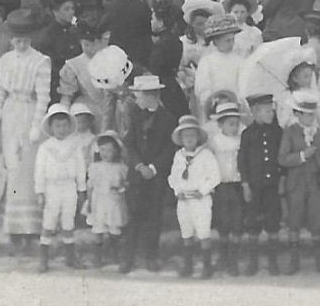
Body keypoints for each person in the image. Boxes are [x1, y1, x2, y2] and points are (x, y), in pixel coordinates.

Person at [0, 8, 52, 245]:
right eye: (16, 40)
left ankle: (29, 224)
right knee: (10, 164)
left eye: (24, 40)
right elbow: (1, 89)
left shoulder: (41, 61)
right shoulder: (5, 59)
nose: (20, 44)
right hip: (10, 113)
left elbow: (44, 96)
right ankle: (10, 224)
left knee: (26, 167)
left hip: (29, 112)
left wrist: (37, 124)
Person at [118, 72, 174, 273]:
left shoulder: (168, 119)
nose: (136, 99)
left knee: (154, 216)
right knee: (133, 216)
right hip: (137, 175)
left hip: (156, 176)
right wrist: (139, 166)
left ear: (151, 95)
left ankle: (152, 255)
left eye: (139, 95)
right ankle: (128, 257)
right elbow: (129, 144)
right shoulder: (134, 115)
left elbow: (170, 148)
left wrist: (153, 168)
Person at [278, 89, 320, 275]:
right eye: (306, 115)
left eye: (312, 114)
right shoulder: (290, 132)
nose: (310, 118)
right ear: (297, 114)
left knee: (317, 219)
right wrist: (302, 155)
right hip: (296, 182)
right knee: (295, 219)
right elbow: (282, 159)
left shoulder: (319, 134)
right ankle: (294, 259)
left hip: (315, 182)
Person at [34, 104, 88, 272]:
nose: (61, 129)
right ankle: (44, 258)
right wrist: (40, 192)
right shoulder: (45, 147)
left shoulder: (75, 144)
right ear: (51, 127)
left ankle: (70, 257)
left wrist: (81, 189)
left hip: (69, 186)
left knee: (68, 221)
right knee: (49, 221)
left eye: (64, 125)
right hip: (52, 188)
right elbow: (39, 170)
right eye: (57, 125)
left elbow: (80, 167)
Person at [168, 114, 221, 278]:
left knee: (203, 232)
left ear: (198, 137)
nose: (189, 138)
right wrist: (178, 191)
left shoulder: (205, 155)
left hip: (201, 199)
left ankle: (207, 266)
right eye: (185, 135)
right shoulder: (179, 156)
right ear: (181, 138)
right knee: (187, 232)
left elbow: (215, 176)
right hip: (184, 200)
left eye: (192, 135)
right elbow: (173, 177)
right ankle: (188, 265)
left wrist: (203, 191)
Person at [237, 92, 285, 275]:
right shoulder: (247, 134)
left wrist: (282, 181)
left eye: (271, 111)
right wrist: (245, 185)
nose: (270, 115)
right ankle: (253, 262)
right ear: (255, 113)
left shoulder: (278, 132)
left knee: (273, 221)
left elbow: (282, 158)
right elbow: (242, 162)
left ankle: (273, 262)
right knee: (253, 223)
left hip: (272, 185)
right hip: (255, 186)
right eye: (266, 112)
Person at [206, 99, 246, 276]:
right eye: (230, 124)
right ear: (221, 124)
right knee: (223, 221)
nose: (234, 128)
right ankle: (222, 256)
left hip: (237, 185)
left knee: (237, 220)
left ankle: (233, 259)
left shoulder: (242, 140)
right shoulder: (214, 142)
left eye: (236, 124)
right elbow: (208, 163)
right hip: (221, 186)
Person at [86, 132, 128, 267]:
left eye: (109, 150)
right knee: (98, 228)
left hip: (114, 201)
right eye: (103, 149)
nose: (105, 153)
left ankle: (115, 253)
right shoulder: (95, 167)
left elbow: (125, 184)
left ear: (116, 151)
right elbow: (90, 186)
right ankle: (97, 257)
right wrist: (88, 203)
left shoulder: (121, 168)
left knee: (114, 227)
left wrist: (120, 188)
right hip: (98, 201)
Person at [193, 13, 243, 120]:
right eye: (227, 40)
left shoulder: (240, 60)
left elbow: (244, 84)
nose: (231, 44)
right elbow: (202, 88)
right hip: (215, 107)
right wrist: (215, 99)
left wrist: (236, 99)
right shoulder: (207, 61)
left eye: (232, 40)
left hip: (236, 106)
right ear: (216, 41)